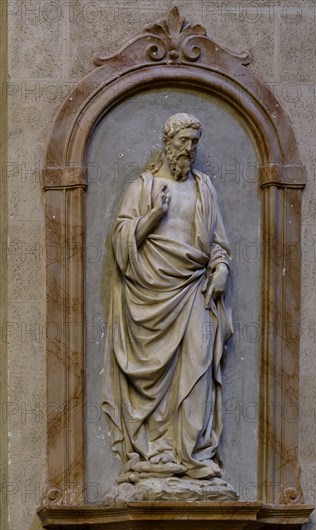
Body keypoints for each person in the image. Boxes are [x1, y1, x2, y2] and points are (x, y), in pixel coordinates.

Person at [103, 113, 233, 483]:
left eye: (194, 142)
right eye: (183, 142)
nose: (189, 149)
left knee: (197, 368)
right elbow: (121, 243)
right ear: (168, 142)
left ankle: (192, 454)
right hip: (148, 296)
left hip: (195, 290)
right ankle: (156, 451)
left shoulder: (204, 188)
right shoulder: (142, 188)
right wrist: (154, 214)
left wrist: (221, 268)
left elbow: (219, 245)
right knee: (155, 378)